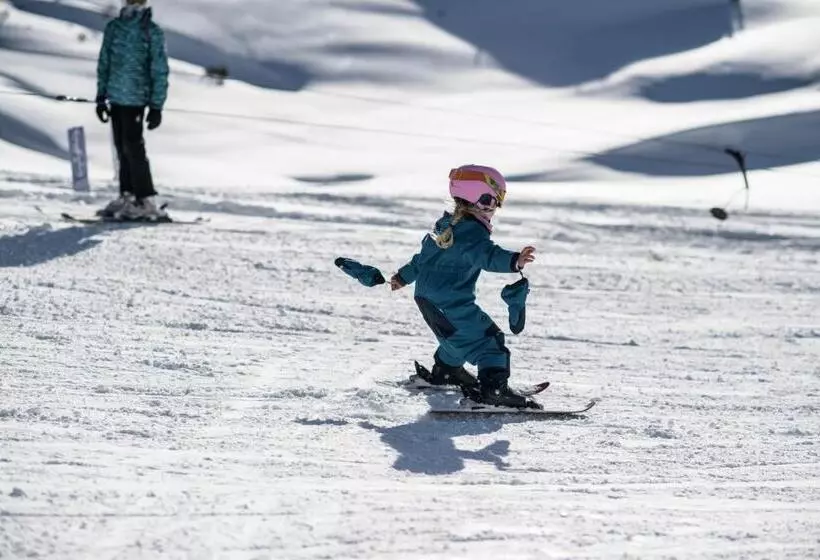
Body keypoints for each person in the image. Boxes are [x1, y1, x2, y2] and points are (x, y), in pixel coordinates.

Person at [390, 165, 540, 409]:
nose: (494, 208)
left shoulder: (446, 227)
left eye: (498, 201)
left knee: (456, 338)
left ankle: (445, 372)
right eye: (490, 200)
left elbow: (423, 258)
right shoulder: (471, 233)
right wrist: (514, 261)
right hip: (450, 301)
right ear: (474, 200)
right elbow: (485, 254)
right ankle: (493, 392)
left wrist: (403, 277)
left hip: (427, 299)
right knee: (489, 342)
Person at [95, 0, 169, 221]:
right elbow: (104, 61)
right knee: (121, 147)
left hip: (137, 98)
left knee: (133, 148)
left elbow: (159, 69)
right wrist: (101, 96)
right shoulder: (114, 28)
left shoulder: (151, 32)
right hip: (116, 96)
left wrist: (157, 105)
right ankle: (127, 196)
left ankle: (145, 200)